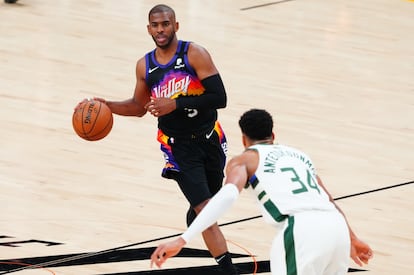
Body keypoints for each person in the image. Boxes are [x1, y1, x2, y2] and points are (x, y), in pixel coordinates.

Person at [76, 4, 238, 274]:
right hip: (178, 148)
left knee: (207, 206)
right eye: (155, 25)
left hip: (211, 139)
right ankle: (228, 270)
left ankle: (197, 212)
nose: (160, 30)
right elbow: (139, 107)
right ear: (149, 29)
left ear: (176, 25)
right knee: (208, 214)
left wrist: (174, 104)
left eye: (165, 24)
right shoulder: (145, 66)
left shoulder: (194, 54)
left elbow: (219, 98)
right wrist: (106, 105)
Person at [150, 109, 374, 274]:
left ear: (244, 139)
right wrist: (353, 238)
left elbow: (227, 196)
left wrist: (182, 239)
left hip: (301, 231)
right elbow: (329, 200)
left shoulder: (245, 160)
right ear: (273, 135)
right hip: (337, 229)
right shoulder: (300, 156)